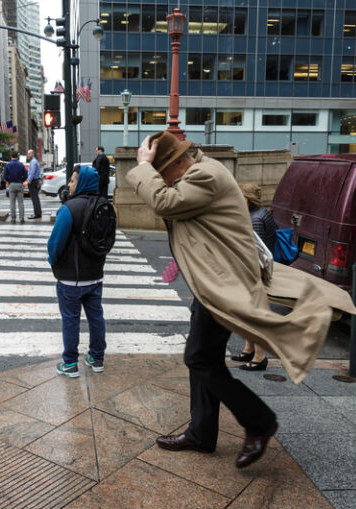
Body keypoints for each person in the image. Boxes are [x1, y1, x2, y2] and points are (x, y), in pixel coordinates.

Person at [128, 130, 338, 469]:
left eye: (162, 173)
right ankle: (202, 433)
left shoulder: (205, 174)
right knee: (204, 357)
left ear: (179, 162)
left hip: (225, 284)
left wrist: (142, 167)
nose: (162, 181)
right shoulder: (198, 173)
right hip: (212, 282)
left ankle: (259, 421)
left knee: (199, 358)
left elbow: (165, 202)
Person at [47, 165, 107, 378]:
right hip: (95, 275)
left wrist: (53, 262)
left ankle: (70, 363)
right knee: (96, 317)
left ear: (80, 183)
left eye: (72, 181)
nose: (70, 185)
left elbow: (55, 244)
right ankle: (97, 358)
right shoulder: (104, 206)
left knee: (71, 319)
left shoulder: (69, 209)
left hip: (70, 278)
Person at [230, 182, 279, 371]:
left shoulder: (255, 219)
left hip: (253, 274)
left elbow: (255, 253)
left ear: (246, 199)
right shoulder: (262, 213)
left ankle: (260, 357)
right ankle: (249, 349)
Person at [3, 151, 27, 224]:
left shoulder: (8, 165)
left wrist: (9, 180)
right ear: (17, 156)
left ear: (11, 156)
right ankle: (21, 218)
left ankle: (13, 219)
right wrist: (21, 180)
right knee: (21, 203)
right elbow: (25, 175)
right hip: (19, 184)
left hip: (12, 184)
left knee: (12, 203)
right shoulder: (21, 165)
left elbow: (5, 176)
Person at [27, 149, 42, 219]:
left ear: (32, 154)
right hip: (35, 181)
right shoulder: (34, 161)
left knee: (34, 198)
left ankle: (37, 214)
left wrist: (29, 181)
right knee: (35, 198)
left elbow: (32, 172)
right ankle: (38, 213)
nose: (28, 155)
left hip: (33, 182)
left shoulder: (33, 162)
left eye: (29, 154)